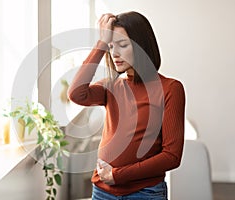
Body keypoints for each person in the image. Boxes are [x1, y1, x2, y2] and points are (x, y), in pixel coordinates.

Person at [68, 11, 185, 200]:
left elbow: (172, 156)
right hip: (102, 191)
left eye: (122, 45)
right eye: (111, 46)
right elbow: (76, 94)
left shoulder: (170, 88)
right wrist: (101, 44)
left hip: (146, 193)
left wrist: (118, 175)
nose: (114, 53)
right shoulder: (111, 86)